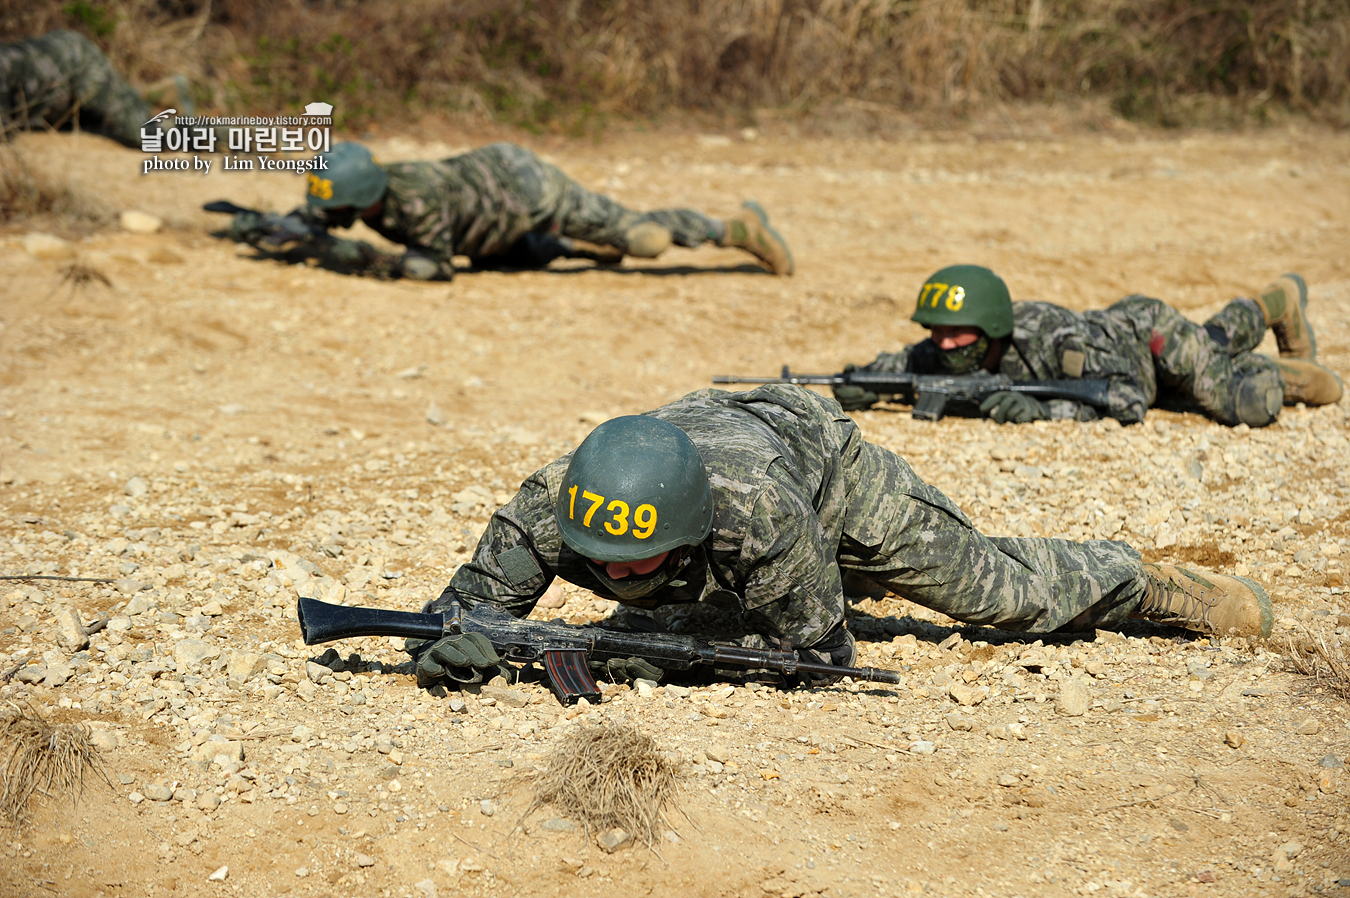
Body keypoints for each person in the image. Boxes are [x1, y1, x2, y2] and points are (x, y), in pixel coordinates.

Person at [408, 384, 1272, 689]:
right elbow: (460, 610)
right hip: (712, 456)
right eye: (602, 562)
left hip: (825, 472)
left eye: (643, 558)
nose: (619, 572)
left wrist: (661, 638)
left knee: (1002, 598)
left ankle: (1144, 583)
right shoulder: (556, 502)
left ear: (691, 531)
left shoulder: (762, 511)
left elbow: (820, 653)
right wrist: (450, 646)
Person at [831, 264, 1342, 427]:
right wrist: (862, 383)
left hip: (1146, 338)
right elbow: (905, 364)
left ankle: (1281, 315)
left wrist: (1042, 409)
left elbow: (1127, 399)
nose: (942, 343)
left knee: (1240, 403)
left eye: (954, 334)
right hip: (1127, 356)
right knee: (1213, 352)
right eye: (935, 332)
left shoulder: (1057, 341)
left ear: (989, 330)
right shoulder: (945, 345)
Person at [229, 141, 794, 280]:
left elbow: (435, 266)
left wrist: (345, 255)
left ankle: (733, 228)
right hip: (495, 233)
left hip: (529, 189)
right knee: (520, 260)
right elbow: (319, 215)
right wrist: (271, 228)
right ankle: (579, 247)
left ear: (364, 199)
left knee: (642, 240)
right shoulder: (366, 191)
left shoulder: (416, 200)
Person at [0, 29, 185, 148]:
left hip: (77, 65)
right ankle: (157, 94)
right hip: (58, 98)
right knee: (95, 122)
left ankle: (209, 132)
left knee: (146, 134)